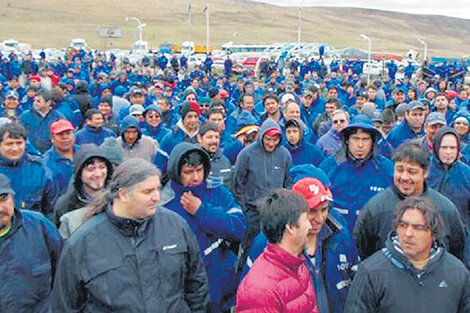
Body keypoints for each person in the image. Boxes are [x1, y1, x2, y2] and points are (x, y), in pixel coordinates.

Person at [51, 159, 210, 312]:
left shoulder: (176, 226)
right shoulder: (83, 243)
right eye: (147, 191)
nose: (157, 197)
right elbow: (66, 304)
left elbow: (196, 284)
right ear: (123, 194)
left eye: (157, 189)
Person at [244, 177, 360, 313]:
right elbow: (250, 296)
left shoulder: (341, 236)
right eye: (312, 211)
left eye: (324, 210)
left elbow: (358, 287)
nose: (319, 218)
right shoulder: (267, 242)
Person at [160, 142, 246, 312]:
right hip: (185, 289)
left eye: (199, 170)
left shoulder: (217, 191)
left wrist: (202, 211)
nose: (196, 178)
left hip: (222, 280)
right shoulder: (164, 202)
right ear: (176, 172)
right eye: (188, 172)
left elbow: (240, 227)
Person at [345, 197, 470, 313]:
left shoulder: (457, 273)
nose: (408, 234)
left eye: (418, 227)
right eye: (403, 225)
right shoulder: (371, 272)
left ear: (433, 233)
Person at [354, 142, 466, 261]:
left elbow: (456, 250)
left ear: (425, 173)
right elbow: (364, 250)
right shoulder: (375, 208)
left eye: (412, 172)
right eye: (399, 170)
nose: (404, 177)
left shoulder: (445, 209)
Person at [236, 188, 318, 313]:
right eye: (306, 219)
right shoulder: (259, 291)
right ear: (290, 227)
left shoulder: (298, 266)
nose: (310, 226)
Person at [319, 114, 394, 232]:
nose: (360, 145)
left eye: (365, 139)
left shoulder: (387, 169)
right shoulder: (329, 167)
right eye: (355, 139)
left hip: (373, 237)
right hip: (337, 239)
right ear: (347, 140)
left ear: (373, 141)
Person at [0, 173, 63, 312]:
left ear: (13, 198)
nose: (0, 208)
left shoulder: (39, 226)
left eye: (3, 199)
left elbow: (64, 272)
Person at [233, 118, 292, 266]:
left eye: (275, 140)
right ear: (261, 137)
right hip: (253, 212)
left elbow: (287, 182)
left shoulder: (284, 155)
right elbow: (237, 183)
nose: (271, 143)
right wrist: (244, 208)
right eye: (268, 139)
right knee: (249, 247)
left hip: (275, 212)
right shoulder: (246, 154)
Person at [0, 122, 57, 218]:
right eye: (9, 144)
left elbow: (50, 209)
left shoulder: (40, 170)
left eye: (19, 143)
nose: (15, 148)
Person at [53, 144, 113, 229]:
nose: (98, 174)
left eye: (102, 167)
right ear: (79, 174)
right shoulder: (65, 205)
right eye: (91, 169)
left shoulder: (115, 199)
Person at [428, 127, 470, 225]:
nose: (448, 152)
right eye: (444, 147)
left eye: (452, 148)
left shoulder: (467, 173)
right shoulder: (424, 171)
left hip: (459, 233)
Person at [19, 88, 64, 153]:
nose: (35, 103)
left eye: (38, 101)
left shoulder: (58, 117)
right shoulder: (25, 116)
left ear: (48, 102)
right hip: (29, 155)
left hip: (51, 155)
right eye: (34, 100)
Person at [42, 119, 79, 194]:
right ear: (52, 139)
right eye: (60, 134)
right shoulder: (45, 162)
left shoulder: (84, 152)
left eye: (68, 133)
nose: (65, 137)